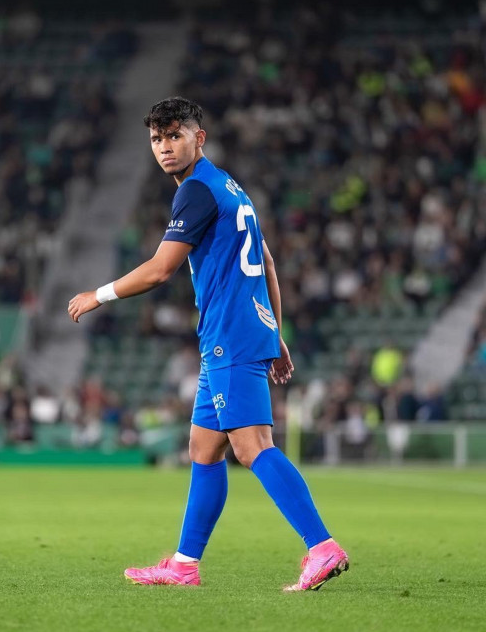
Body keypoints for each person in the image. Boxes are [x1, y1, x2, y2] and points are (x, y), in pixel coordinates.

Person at [68, 97, 348, 591]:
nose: (165, 147)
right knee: (203, 447)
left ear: (200, 137)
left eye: (175, 136)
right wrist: (275, 332)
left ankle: (321, 546)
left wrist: (99, 294)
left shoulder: (196, 191)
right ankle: (183, 563)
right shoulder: (230, 188)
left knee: (253, 446)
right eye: (157, 139)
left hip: (230, 335)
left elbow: (160, 270)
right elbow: (266, 261)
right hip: (241, 330)